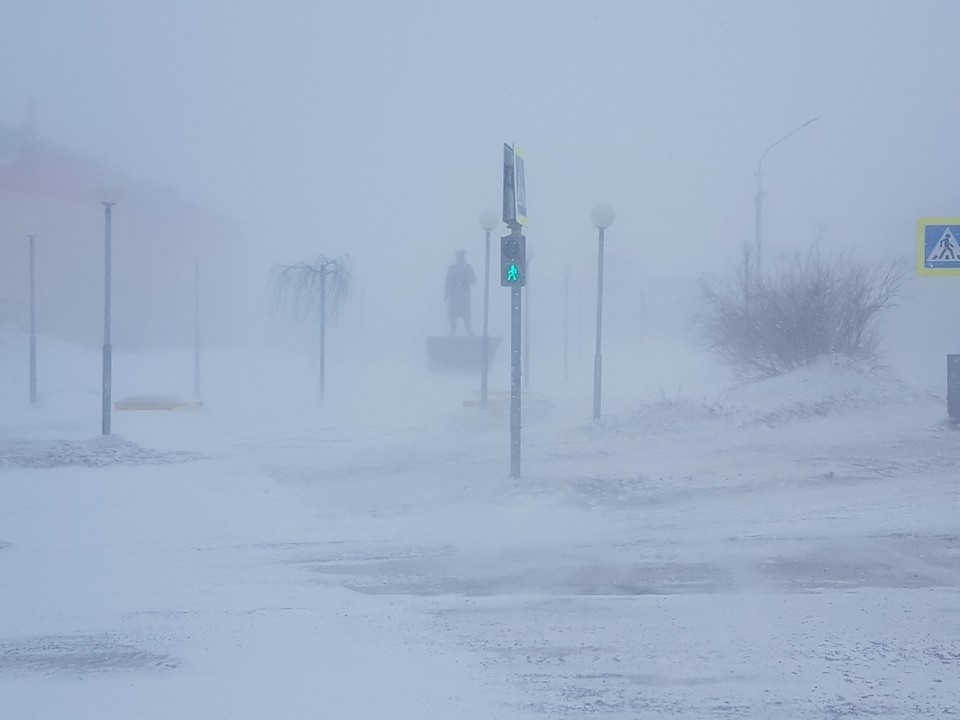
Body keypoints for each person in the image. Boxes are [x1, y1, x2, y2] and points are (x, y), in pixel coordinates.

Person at [444, 249, 476, 336]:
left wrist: (465, 280)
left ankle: (469, 331)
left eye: (461, 256)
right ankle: (453, 331)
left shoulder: (468, 267)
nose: (460, 258)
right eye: (459, 257)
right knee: (452, 315)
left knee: (466, 314)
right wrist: (445, 295)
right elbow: (447, 282)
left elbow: (473, 279)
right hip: (454, 295)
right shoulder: (452, 268)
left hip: (464, 295)